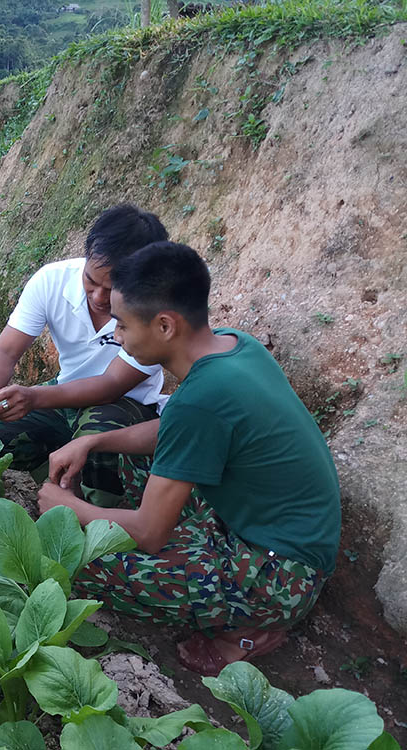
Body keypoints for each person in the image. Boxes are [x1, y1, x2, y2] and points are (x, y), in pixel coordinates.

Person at [38, 241, 340, 675]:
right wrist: (93, 442)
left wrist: (69, 507)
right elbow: (176, 431)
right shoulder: (234, 346)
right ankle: (199, 567)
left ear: (165, 325)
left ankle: (246, 629)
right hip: (267, 526)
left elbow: (149, 534)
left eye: (123, 324)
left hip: (280, 575)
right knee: (118, 456)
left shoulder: (201, 398)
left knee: (81, 565)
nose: (117, 336)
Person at [0, 204, 169, 504]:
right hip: (64, 396)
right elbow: (5, 351)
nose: (99, 297)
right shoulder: (52, 281)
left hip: (128, 406)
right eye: (91, 281)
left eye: (113, 288)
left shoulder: (158, 308)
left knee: (97, 439)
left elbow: (112, 384)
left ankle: (105, 509)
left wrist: (34, 397)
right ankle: (59, 480)